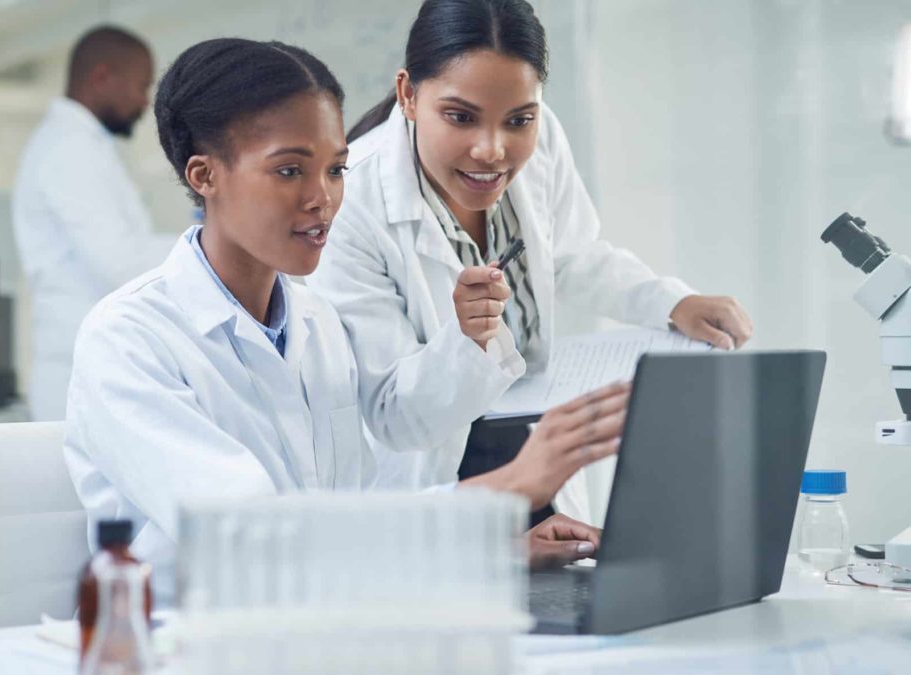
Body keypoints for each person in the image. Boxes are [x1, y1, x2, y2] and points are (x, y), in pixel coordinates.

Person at [64, 37, 629, 607]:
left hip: (320, 627)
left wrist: (492, 549)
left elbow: (354, 521)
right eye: (289, 170)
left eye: (336, 170)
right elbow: (254, 537)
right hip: (190, 645)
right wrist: (507, 487)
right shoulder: (129, 339)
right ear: (205, 176)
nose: (323, 198)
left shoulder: (317, 325)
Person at [307, 0, 754, 519]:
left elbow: (570, 253)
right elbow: (393, 416)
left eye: (518, 119)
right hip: (432, 481)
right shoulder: (350, 202)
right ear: (409, 94)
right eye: (460, 117)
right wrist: (467, 340)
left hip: (530, 445)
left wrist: (671, 302)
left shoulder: (542, 139)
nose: (492, 150)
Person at [13, 26, 175, 421]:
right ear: (101, 77)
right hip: (77, 374)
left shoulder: (82, 147)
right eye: (141, 86)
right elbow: (120, 263)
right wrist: (219, 243)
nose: (144, 101)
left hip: (90, 367)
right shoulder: (69, 150)